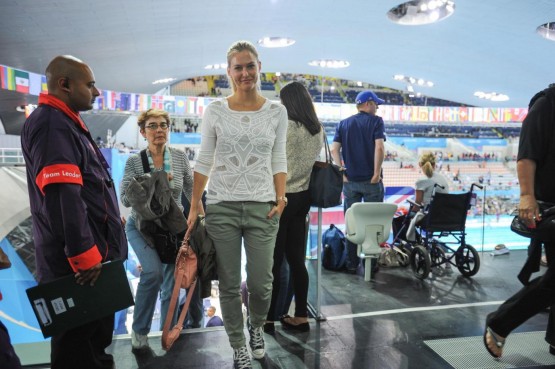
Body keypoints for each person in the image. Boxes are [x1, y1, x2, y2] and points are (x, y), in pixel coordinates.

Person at [20, 55, 127, 369]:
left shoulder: (65, 122)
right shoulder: (52, 125)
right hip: (80, 271)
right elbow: (62, 195)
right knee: (78, 352)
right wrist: (83, 255)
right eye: (90, 85)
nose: (96, 93)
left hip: (97, 260)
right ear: (64, 85)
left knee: (95, 348)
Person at [186, 40, 287, 369]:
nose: (245, 72)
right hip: (222, 206)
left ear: (260, 67)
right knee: (227, 284)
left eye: (250, 66)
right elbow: (204, 159)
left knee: (261, 283)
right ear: (228, 72)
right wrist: (194, 202)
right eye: (238, 67)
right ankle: (238, 345)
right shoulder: (215, 110)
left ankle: (255, 326)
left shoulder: (276, 111)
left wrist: (281, 195)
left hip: (263, 207)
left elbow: (278, 157)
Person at [120, 108, 202, 350]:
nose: (158, 130)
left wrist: (200, 216)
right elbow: (125, 198)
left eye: (163, 125)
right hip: (142, 227)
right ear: (143, 132)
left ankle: (168, 334)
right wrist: (150, 185)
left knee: (172, 286)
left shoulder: (178, 157)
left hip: (170, 230)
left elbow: (190, 189)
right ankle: (140, 330)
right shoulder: (136, 161)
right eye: (152, 126)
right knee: (153, 273)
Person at [483, 83, 555, 358]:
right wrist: (526, 195)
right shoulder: (547, 103)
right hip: (551, 206)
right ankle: (500, 322)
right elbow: (527, 153)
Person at [265, 81, 323, 333]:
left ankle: (268, 319)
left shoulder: (284, 126)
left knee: (274, 262)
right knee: (297, 260)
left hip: (280, 197)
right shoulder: (317, 129)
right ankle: (300, 315)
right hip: (302, 198)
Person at [330, 90, 386, 273]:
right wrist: (376, 173)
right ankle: (372, 264)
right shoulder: (376, 122)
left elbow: (334, 150)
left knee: (351, 225)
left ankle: (352, 263)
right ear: (368, 103)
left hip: (350, 182)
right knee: (374, 224)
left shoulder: (343, 124)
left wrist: (341, 174)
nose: (377, 108)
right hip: (371, 182)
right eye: (376, 104)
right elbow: (379, 147)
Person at [405, 152, 449, 242]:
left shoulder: (421, 181)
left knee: (402, 220)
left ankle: (410, 242)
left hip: (429, 217)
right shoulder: (443, 178)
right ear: (435, 165)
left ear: (420, 164)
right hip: (444, 216)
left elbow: (417, 205)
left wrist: (409, 214)